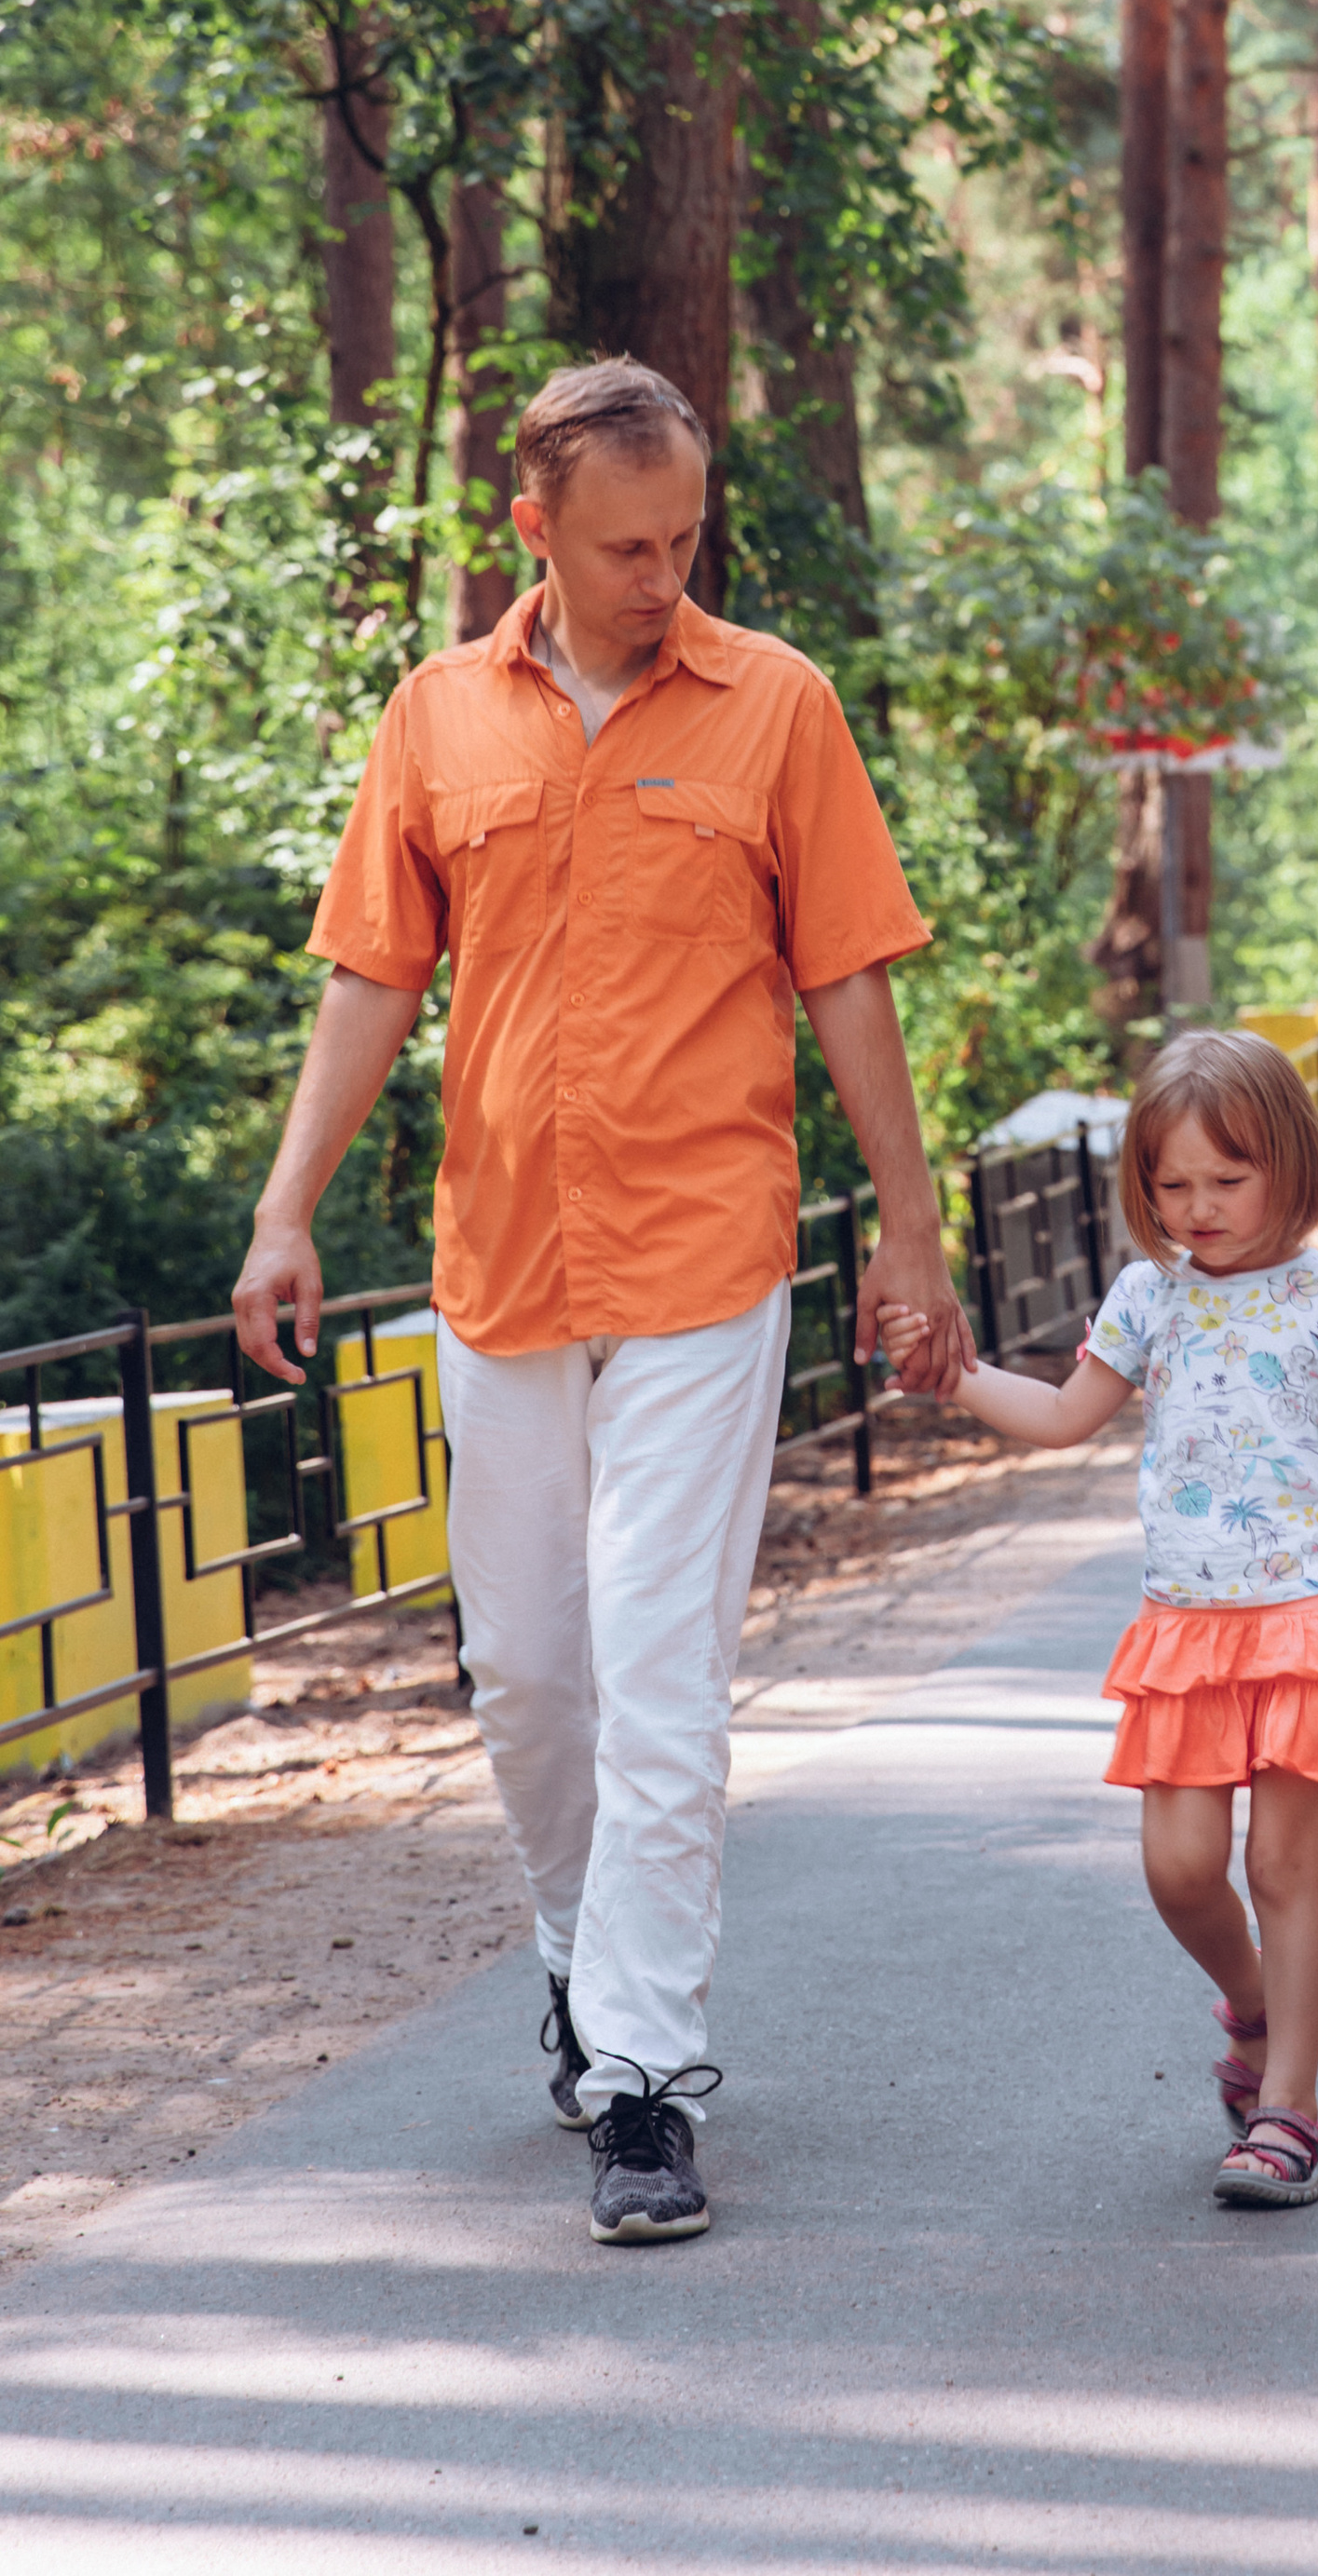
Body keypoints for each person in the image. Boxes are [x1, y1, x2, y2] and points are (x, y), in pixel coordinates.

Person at [232, 359, 972, 2246]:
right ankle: (574, 1950)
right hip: (497, 1272)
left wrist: (905, 1226)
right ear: (532, 530)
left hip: (704, 1262)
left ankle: (641, 2078)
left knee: (658, 1683)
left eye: (685, 541)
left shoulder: (773, 706)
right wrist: (284, 1210)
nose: (664, 575)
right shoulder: (435, 722)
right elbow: (372, 982)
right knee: (530, 1682)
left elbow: (853, 980)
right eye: (628, 546)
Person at [879, 1028, 1318, 2207]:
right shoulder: (1149, 1294)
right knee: (1181, 1871)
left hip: (1308, 1613)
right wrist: (955, 1378)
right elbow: (1062, 1415)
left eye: (1227, 1182)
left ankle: (1289, 2111)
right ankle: (1251, 2009)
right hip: (1188, 1624)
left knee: (1283, 1860)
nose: (1200, 1208)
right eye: (1172, 1186)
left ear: (1290, 1162)